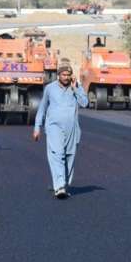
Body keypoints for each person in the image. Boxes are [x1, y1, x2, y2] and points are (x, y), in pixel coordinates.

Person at [32, 62, 88, 199]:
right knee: (57, 154)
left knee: (69, 156)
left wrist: (76, 89)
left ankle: (63, 183)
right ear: (58, 75)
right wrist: (37, 127)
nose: (66, 77)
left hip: (72, 128)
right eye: (63, 75)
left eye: (69, 75)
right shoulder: (50, 89)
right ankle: (60, 187)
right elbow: (42, 108)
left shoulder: (75, 88)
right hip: (53, 127)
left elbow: (85, 103)